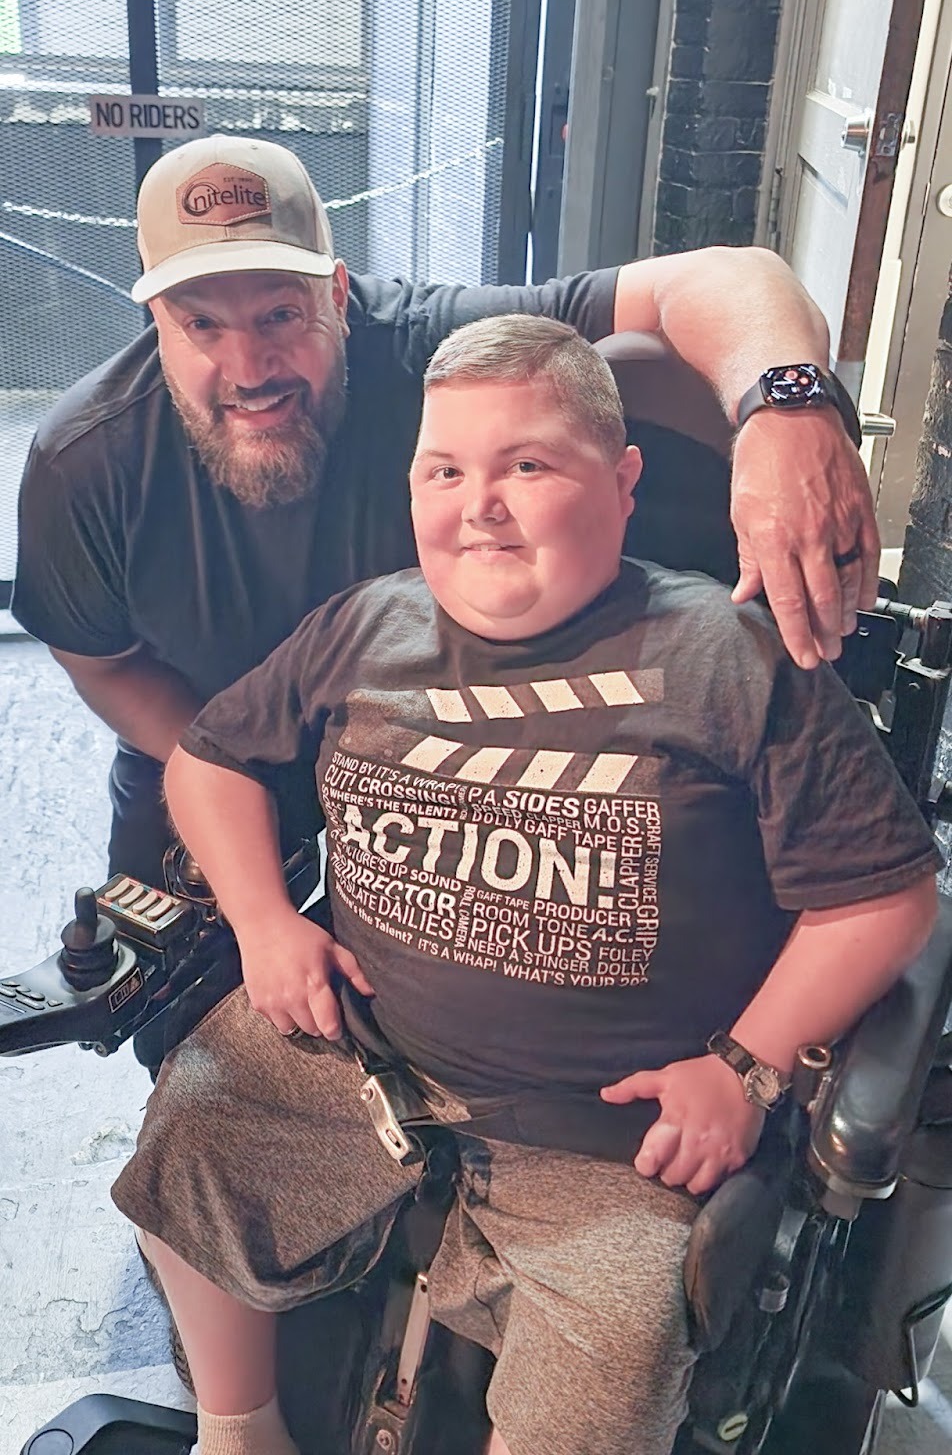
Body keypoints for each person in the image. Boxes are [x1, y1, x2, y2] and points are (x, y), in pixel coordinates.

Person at [112, 316, 939, 1455]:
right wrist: (262, 920)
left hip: (607, 1128)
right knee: (190, 1131)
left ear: (624, 481)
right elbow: (207, 762)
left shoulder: (726, 661)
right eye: (443, 469)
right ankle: (239, 1428)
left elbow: (883, 898)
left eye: (526, 466)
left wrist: (745, 1066)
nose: (475, 504)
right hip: (360, 1055)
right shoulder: (366, 625)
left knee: (613, 1369)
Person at [13, 133, 877, 910]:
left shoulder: (430, 346)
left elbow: (725, 276)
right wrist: (242, 783)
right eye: (201, 325)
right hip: (209, 737)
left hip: (432, 756)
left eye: (281, 314)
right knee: (171, 1004)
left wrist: (787, 412)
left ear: (339, 296)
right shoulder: (86, 459)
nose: (249, 367)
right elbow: (104, 661)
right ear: (154, 321)